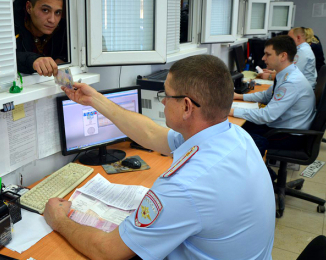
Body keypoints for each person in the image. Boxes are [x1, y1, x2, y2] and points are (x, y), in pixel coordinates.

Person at [44, 55, 275, 260]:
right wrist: (95, 100)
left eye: (166, 95)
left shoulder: (184, 185)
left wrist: (60, 220)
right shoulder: (234, 135)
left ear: (186, 107)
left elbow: (107, 251)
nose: (163, 101)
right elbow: (151, 133)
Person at [230, 35, 316, 159]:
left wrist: (231, 111)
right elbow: (266, 95)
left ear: (283, 56)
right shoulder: (286, 74)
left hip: (289, 136)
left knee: (239, 136)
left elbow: (267, 116)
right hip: (281, 126)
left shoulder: (291, 83)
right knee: (241, 126)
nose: (263, 58)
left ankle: (265, 174)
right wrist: (239, 96)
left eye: (268, 54)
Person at [13, 0, 67, 76]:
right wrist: (34, 60)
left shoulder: (64, 28)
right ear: (29, 7)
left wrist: (63, 58)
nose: (52, 20)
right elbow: (4, 57)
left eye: (57, 12)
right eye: (45, 10)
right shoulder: (10, 25)